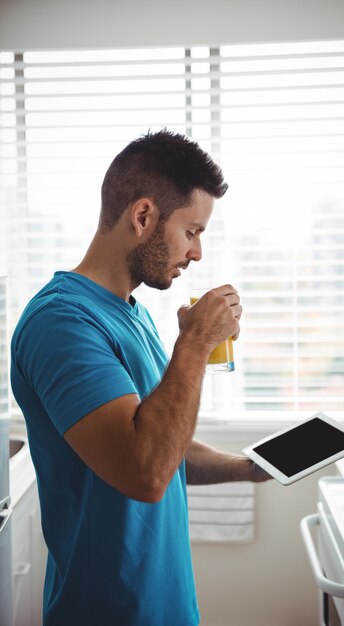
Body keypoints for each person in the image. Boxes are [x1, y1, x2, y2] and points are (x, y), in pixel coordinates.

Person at [10, 129, 270, 626]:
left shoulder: (132, 313)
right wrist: (194, 345)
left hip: (168, 608)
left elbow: (159, 442)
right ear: (144, 216)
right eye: (191, 232)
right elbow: (145, 470)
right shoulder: (61, 322)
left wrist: (244, 467)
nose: (196, 254)